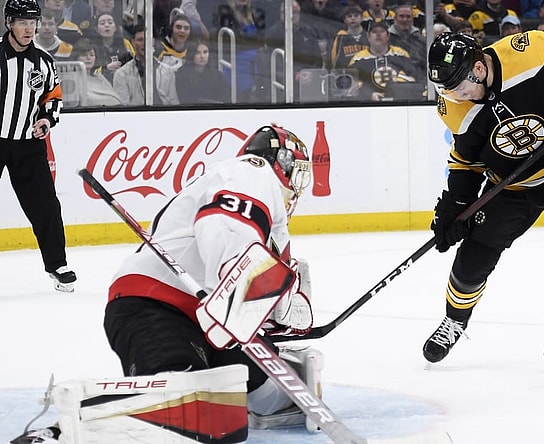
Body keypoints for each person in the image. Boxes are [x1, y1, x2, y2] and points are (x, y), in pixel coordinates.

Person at [14, 124, 322, 443]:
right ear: (281, 162)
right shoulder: (251, 171)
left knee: (262, 394)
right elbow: (225, 228)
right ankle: (61, 433)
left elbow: (260, 290)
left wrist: (279, 310)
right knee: (184, 409)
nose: (297, 187)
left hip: (209, 320)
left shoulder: (270, 217)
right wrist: (237, 296)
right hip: (155, 304)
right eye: (298, 174)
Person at [423, 31, 544, 375]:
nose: (455, 97)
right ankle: (454, 321)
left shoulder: (529, 52)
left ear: (478, 69)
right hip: (514, 184)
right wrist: (456, 205)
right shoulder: (453, 107)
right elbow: (467, 160)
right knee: (474, 256)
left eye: (459, 88)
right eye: (446, 91)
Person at [0, 0, 76, 292]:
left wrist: (46, 119)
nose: (29, 29)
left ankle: (57, 264)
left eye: (32, 22)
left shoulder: (43, 61)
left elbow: (52, 98)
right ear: (9, 23)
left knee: (46, 205)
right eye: (22, 22)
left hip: (28, 146)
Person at [348, 21, 424, 101]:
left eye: (382, 31)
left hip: (400, 102)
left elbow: (416, 76)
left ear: (388, 36)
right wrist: (369, 95)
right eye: (374, 32)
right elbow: (349, 85)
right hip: (370, 104)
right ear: (368, 37)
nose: (378, 34)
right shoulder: (358, 59)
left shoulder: (401, 54)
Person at [113, 24, 179, 105]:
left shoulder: (168, 72)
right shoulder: (121, 74)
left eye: (147, 39)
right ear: (133, 42)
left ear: (153, 41)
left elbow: (173, 103)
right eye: (140, 40)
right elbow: (123, 106)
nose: (144, 43)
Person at [71, 37, 123, 106]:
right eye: (84, 55)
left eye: (91, 55)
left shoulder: (100, 77)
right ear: (76, 57)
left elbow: (115, 97)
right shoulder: (71, 79)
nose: (89, 58)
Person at [92, 12, 133, 84]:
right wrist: (106, 69)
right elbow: (90, 71)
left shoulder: (125, 43)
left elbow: (133, 63)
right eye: (102, 23)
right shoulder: (92, 47)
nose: (106, 25)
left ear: (116, 28)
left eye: (110, 22)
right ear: (97, 29)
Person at [388, 3, 427, 71]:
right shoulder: (386, 38)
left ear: (412, 19)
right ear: (395, 18)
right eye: (401, 16)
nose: (405, 20)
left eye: (408, 17)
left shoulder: (420, 39)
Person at [329, 4, 368, 69]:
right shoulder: (341, 37)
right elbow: (336, 60)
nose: (353, 18)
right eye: (349, 16)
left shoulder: (369, 36)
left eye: (356, 16)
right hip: (347, 72)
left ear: (362, 18)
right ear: (345, 20)